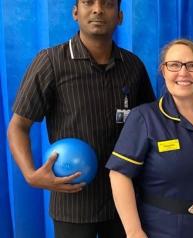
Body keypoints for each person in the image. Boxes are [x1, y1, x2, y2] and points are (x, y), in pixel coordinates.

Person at [7, 0, 155, 237]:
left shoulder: (133, 67)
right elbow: (18, 126)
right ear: (76, 12)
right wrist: (30, 175)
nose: (97, 9)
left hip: (125, 204)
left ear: (120, 17)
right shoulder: (50, 62)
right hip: (73, 203)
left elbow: (152, 128)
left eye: (107, 4)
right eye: (88, 2)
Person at [106, 39, 193, 238]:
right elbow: (119, 174)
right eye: (174, 65)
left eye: (192, 65)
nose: (183, 73)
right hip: (162, 229)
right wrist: (134, 232)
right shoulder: (144, 117)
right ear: (163, 71)